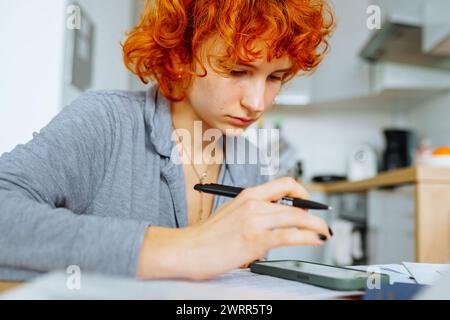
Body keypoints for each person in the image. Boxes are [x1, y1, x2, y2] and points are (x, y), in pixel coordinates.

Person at [0, 0, 334, 281]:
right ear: (180, 56)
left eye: (275, 77)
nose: (257, 103)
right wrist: (188, 248)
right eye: (236, 70)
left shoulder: (251, 164)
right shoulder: (106, 121)